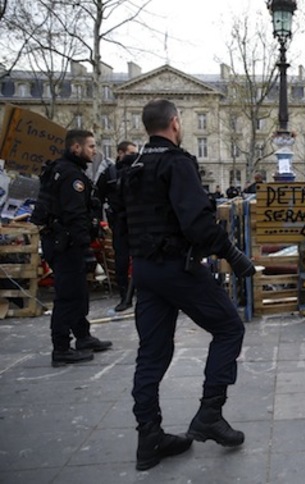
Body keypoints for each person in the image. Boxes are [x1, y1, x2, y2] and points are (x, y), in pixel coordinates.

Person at [121, 99, 256, 470]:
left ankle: (148, 437)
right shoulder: (177, 162)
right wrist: (232, 253)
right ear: (176, 124)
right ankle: (210, 414)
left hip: (145, 270)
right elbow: (197, 223)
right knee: (229, 328)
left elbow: (122, 221)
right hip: (176, 267)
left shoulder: (131, 165)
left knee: (152, 353)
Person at [30, 130, 113, 367]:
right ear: (76, 148)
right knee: (68, 296)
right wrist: (85, 247)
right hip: (66, 244)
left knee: (78, 293)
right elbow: (75, 214)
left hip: (63, 241)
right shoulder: (70, 176)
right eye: (90, 146)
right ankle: (62, 347)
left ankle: (83, 337)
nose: (94, 151)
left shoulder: (64, 170)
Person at [95, 141, 138, 312]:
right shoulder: (110, 173)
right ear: (120, 153)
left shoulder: (137, 170)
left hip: (137, 221)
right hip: (120, 222)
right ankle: (124, 297)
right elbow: (97, 197)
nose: (134, 156)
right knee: (121, 260)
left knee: (142, 260)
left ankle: (140, 295)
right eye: (130, 153)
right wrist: (97, 222)